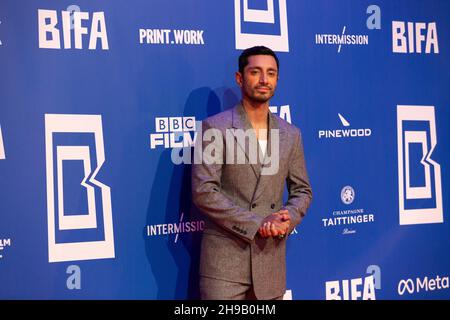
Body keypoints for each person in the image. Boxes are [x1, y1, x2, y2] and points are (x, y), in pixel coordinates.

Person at [192, 46, 312, 300]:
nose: (264, 80)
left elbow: (302, 190)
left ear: (277, 79)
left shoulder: (290, 134)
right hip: (224, 268)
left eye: (271, 73)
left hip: (270, 265)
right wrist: (258, 223)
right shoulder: (216, 128)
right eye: (255, 72)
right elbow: (204, 191)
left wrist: (288, 217)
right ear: (240, 78)